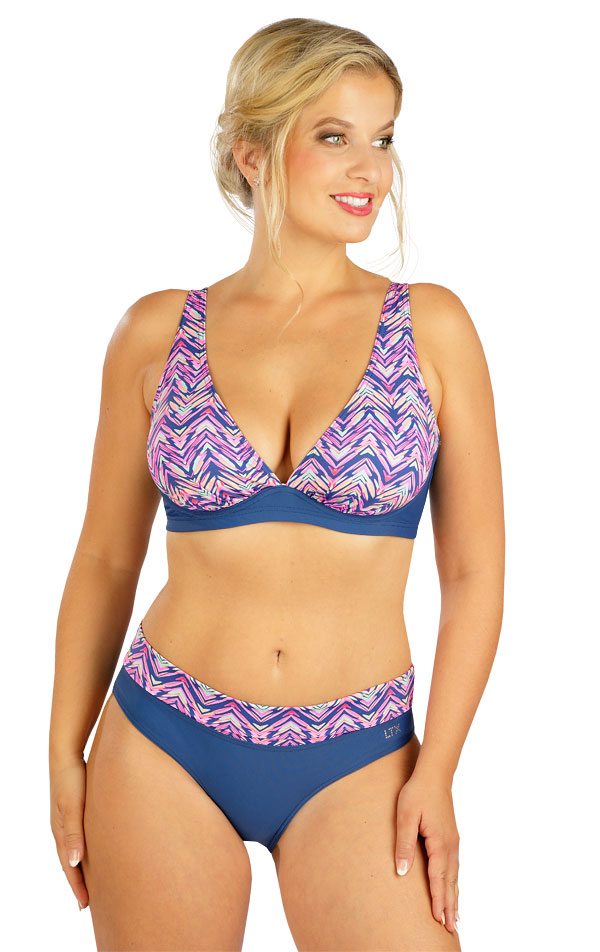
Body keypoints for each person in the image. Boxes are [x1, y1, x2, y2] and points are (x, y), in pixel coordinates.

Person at [49, 16, 504, 951]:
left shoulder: (433, 328)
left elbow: (474, 576)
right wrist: (62, 748)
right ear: (252, 152)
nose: (370, 170)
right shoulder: (155, 332)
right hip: (165, 736)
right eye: (334, 137)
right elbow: (104, 559)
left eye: (384, 139)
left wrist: (438, 771)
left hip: (361, 753)